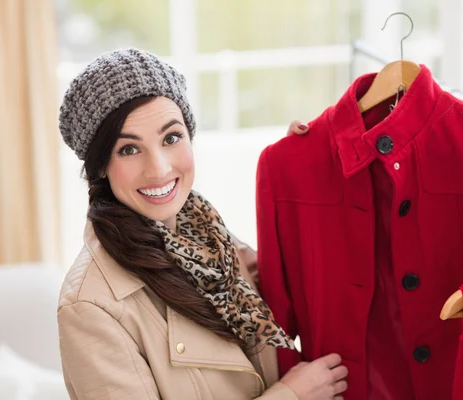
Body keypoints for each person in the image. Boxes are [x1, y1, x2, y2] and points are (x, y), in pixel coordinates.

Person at [56, 48, 347, 400]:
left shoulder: (208, 235)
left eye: (171, 138)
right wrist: (292, 395)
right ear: (101, 165)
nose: (159, 168)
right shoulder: (90, 306)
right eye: (129, 150)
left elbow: (291, 297)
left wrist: (302, 169)